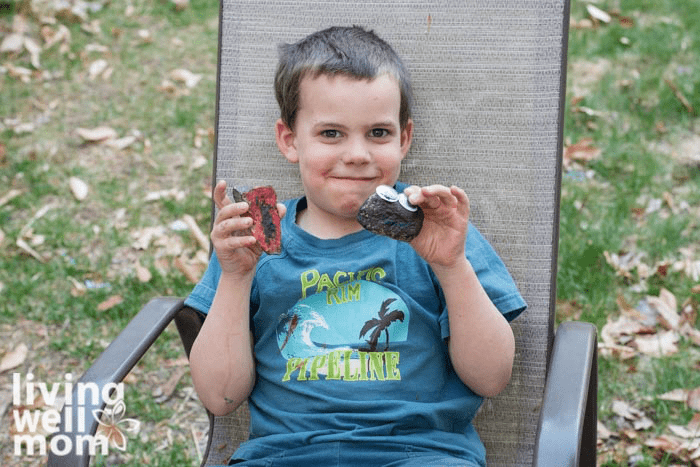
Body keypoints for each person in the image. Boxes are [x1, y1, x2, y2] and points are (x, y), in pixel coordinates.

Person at [186, 25, 526, 467]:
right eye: (331, 133)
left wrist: (452, 266)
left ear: (404, 138)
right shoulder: (253, 245)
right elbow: (220, 396)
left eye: (378, 134)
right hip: (286, 455)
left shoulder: (436, 234)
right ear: (290, 140)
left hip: (420, 454)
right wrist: (235, 278)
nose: (358, 154)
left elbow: (491, 377)